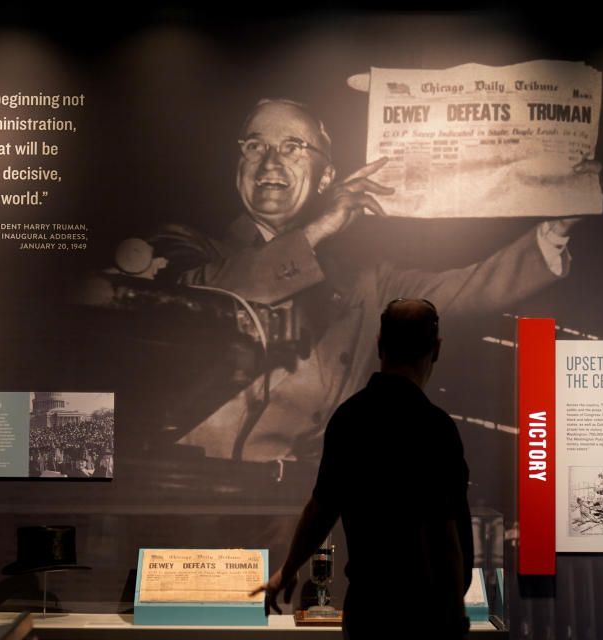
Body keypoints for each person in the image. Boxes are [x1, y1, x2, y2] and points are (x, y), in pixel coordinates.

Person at [155, 98, 581, 464]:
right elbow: (219, 299)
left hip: (305, 503)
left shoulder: (365, 280)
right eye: (255, 146)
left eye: (292, 148)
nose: (270, 162)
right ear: (239, 167)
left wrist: (555, 229)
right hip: (200, 496)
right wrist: (321, 227)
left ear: (326, 179)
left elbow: (465, 289)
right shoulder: (186, 249)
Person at [252, 299, 471, 639]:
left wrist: (289, 567)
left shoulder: (349, 418)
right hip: (424, 618)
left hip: (367, 613)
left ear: (380, 343)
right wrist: (455, 620)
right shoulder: (435, 427)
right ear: (436, 348)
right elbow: (441, 536)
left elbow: (321, 508)